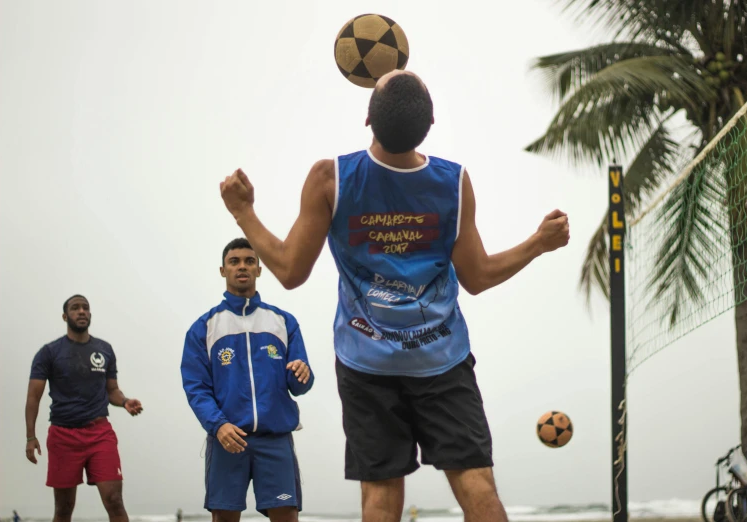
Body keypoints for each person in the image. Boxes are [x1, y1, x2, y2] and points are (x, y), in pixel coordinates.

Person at [219, 70, 570, 522]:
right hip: (441, 359)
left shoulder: (332, 178)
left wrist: (244, 212)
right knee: (475, 483)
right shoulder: (453, 181)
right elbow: (478, 277)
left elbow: (288, 271)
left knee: (381, 495)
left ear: (368, 118)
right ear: (430, 124)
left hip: (366, 362)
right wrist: (537, 243)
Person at [181, 238, 314, 522]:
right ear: (222, 270)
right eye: (235, 262)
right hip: (227, 438)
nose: (242, 267)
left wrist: (303, 373)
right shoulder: (203, 328)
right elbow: (196, 388)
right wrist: (218, 425)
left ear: (259, 269)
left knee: (286, 516)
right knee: (224, 518)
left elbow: (300, 383)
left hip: (275, 438)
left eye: (249, 261)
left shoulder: (283, 322)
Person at [25, 295, 143, 522]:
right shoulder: (48, 353)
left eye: (85, 308)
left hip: (100, 434)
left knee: (114, 501)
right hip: (63, 435)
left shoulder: (104, 349)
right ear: (65, 316)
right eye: (75, 308)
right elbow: (33, 397)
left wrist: (125, 401)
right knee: (63, 509)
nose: (81, 312)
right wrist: (30, 436)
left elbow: (112, 391)